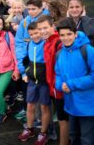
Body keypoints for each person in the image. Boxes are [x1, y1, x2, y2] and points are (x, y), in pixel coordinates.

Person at [55, 17, 94, 145]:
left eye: (69, 34)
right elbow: (58, 74)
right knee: (73, 136)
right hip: (71, 105)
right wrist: (60, 85)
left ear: (75, 33)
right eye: (62, 35)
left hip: (88, 106)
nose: (65, 38)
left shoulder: (87, 50)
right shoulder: (60, 53)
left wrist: (71, 84)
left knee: (87, 139)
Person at [37, 15, 69, 145]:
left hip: (60, 87)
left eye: (45, 28)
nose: (42, 31)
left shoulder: (58, 43)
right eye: (40, 29)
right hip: (52, 85)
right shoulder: (47, 41)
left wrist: (59, 85)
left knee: (63, 119)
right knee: (61, 117)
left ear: (52, 26)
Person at [17, 22, 51, 145]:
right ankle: (30, 129)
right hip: (32, 81)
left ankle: (43, 133)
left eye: (36, 33)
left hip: (44, 82)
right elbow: (24, 61)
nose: (34, 36)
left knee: (44, 107)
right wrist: (24, 73)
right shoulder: (29, 44)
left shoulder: (46, 43)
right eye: (31, 34)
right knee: (30, 105)